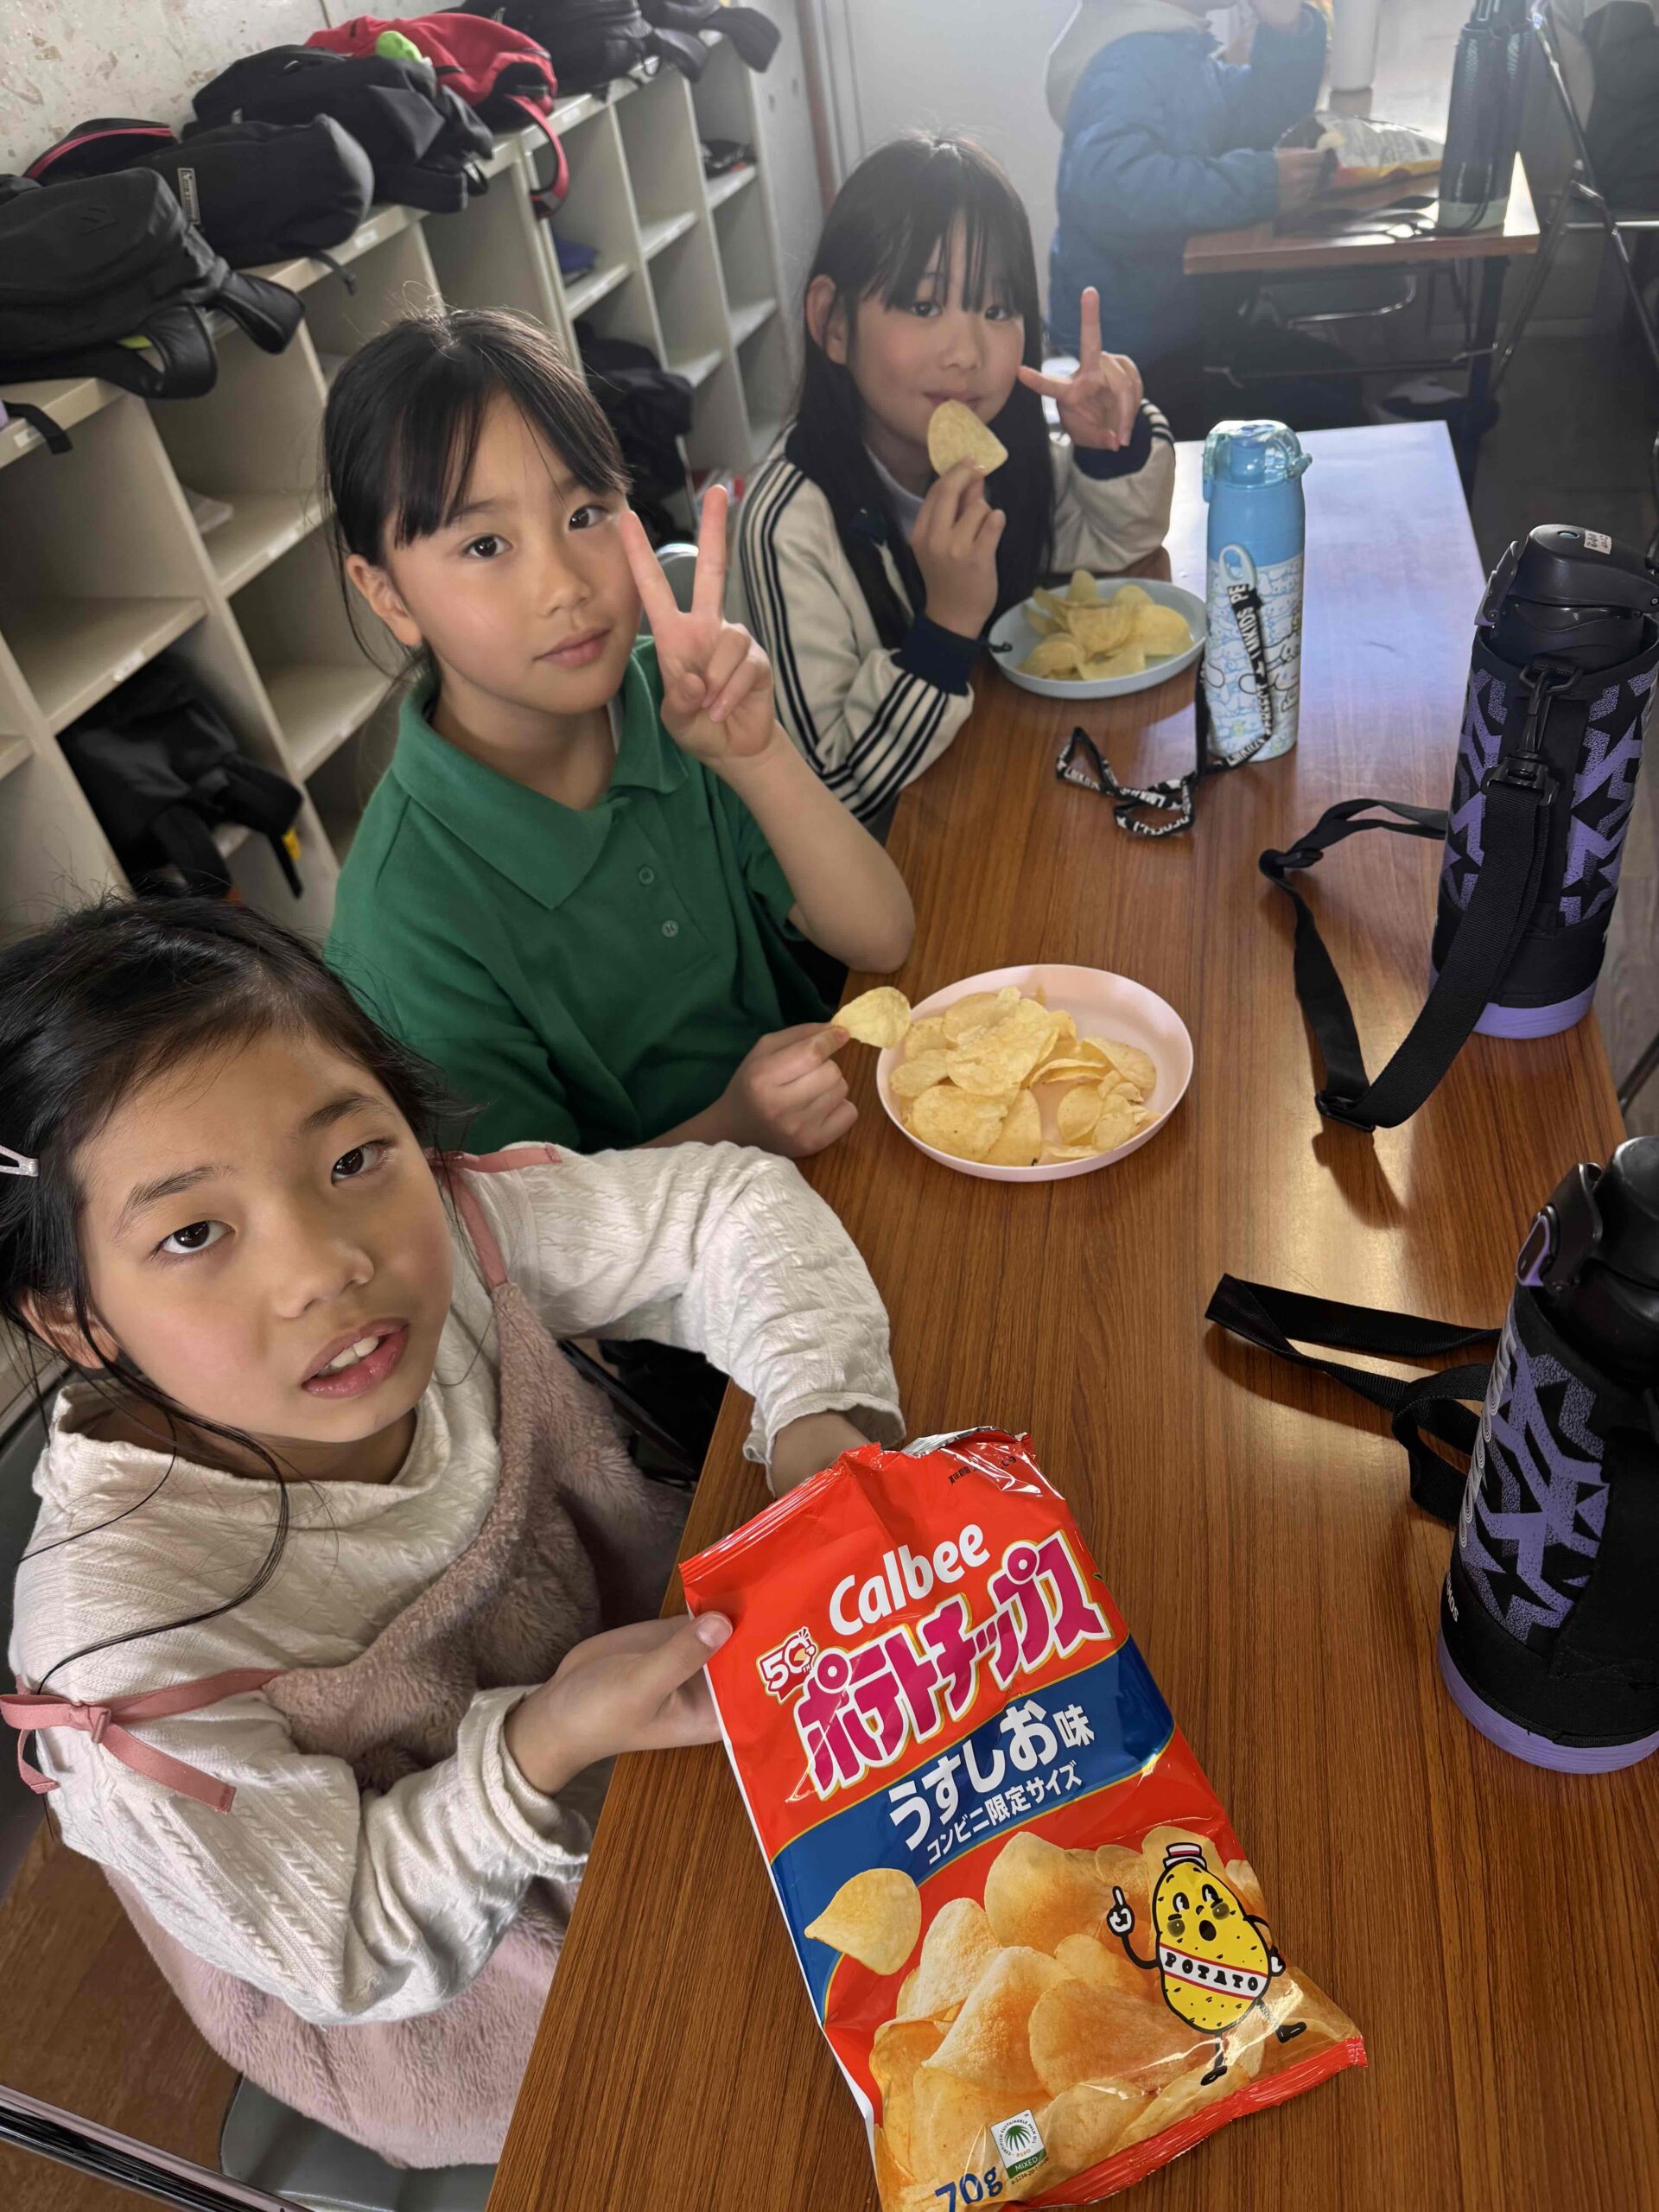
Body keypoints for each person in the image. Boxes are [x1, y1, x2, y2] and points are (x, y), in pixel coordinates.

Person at [0, 894, 902, 2166]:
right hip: (486, 2002)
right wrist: (540, 1746)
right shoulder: (123, 1644)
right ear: (75, 1319)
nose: (326, 1267)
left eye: (351, 1159)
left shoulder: (458, 1233)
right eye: (194, 1233)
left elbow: (726, 1211)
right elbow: (345, 1940)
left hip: (690, 1741)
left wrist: (815, 1418)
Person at [322, 308, 913, 1163]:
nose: (565, 586)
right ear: (389, 596)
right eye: (485, 544)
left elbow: (881, 937)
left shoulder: (677, 698)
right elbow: (532, 1221)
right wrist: (733, 1129)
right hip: (671, 1235)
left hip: (843, 1145)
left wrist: (757, 757)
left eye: (585, 514)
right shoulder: (403, 917)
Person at [734, 132, 1175, 833]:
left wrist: (1108, 450)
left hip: (998, 796)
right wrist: (947, 626)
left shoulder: (997, 456)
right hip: (880, 864)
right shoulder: (786, 525)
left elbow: (1114, 544)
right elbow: (830, 794)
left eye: (997, 311)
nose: (967, 353)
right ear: (834, 323)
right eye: (923, 305)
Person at [1047, 0, 1342, 436]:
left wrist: (1287, 30)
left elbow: (1262, 118)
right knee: (1330, 401)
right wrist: (1260, 183)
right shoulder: (1127, 60)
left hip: (1179, 325)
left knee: (1331, 378)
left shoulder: (1175, 49)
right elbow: (1112, 190)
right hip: (1135, 361)